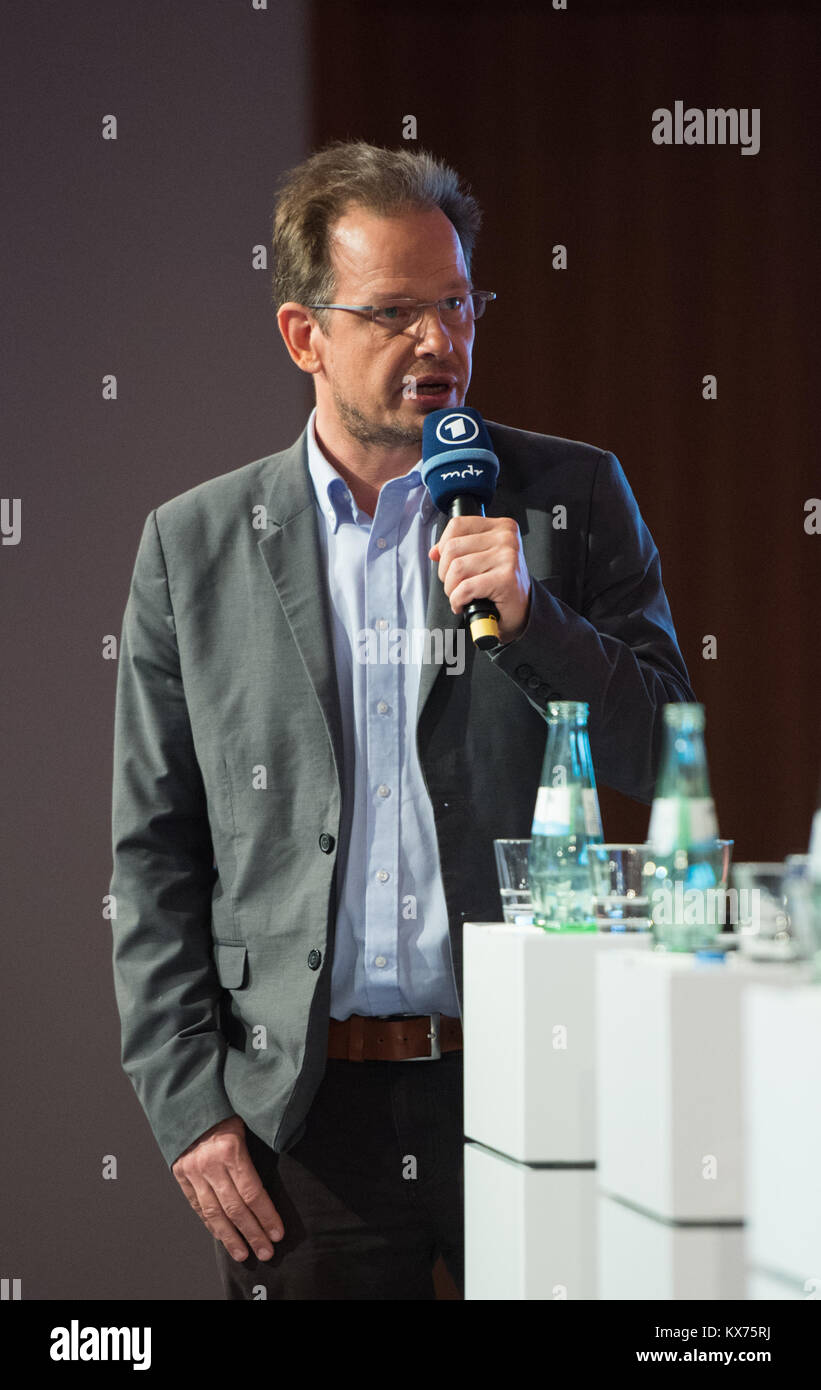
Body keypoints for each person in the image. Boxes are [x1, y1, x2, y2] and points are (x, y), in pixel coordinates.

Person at [109, 140, 696, 1301]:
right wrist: (190, 1110)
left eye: (456, 304)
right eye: (395, 314)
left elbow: (664, 751)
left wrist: (532, 615)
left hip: (536, 1086)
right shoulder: (195, 545)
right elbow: (153, 852)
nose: (441, 343)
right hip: (304, 1117)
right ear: (303, 336)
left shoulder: (569, 498)